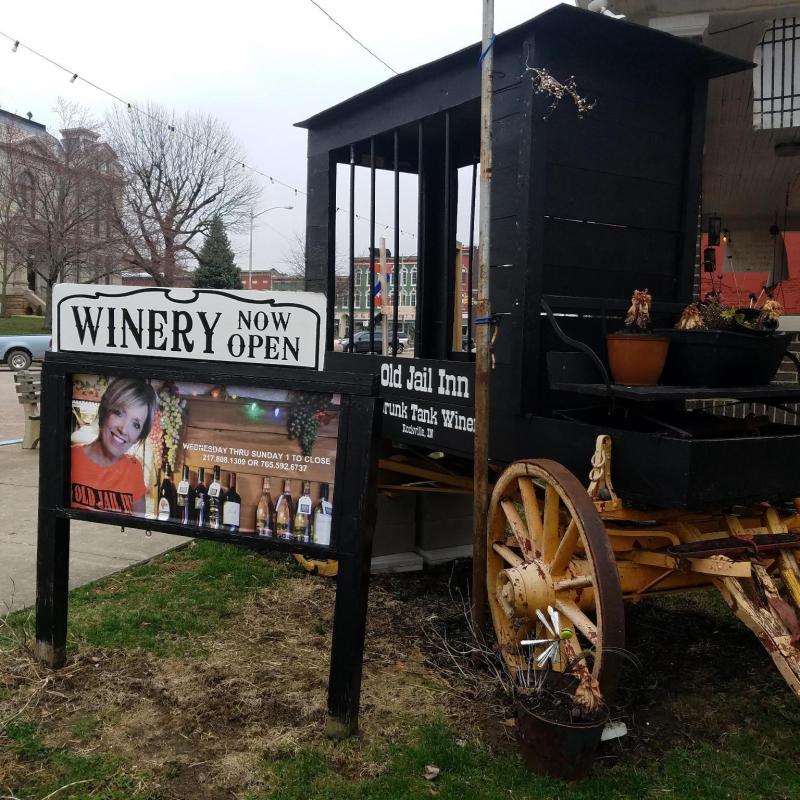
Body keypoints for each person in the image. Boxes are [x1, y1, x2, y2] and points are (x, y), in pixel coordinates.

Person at [71, 378, 159, 515]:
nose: (124, 429)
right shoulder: (71, 457)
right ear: (104, 412)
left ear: (138, 437)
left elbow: (138, 527)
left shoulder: (134, 468)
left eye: (136, 424)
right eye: (119, 413)